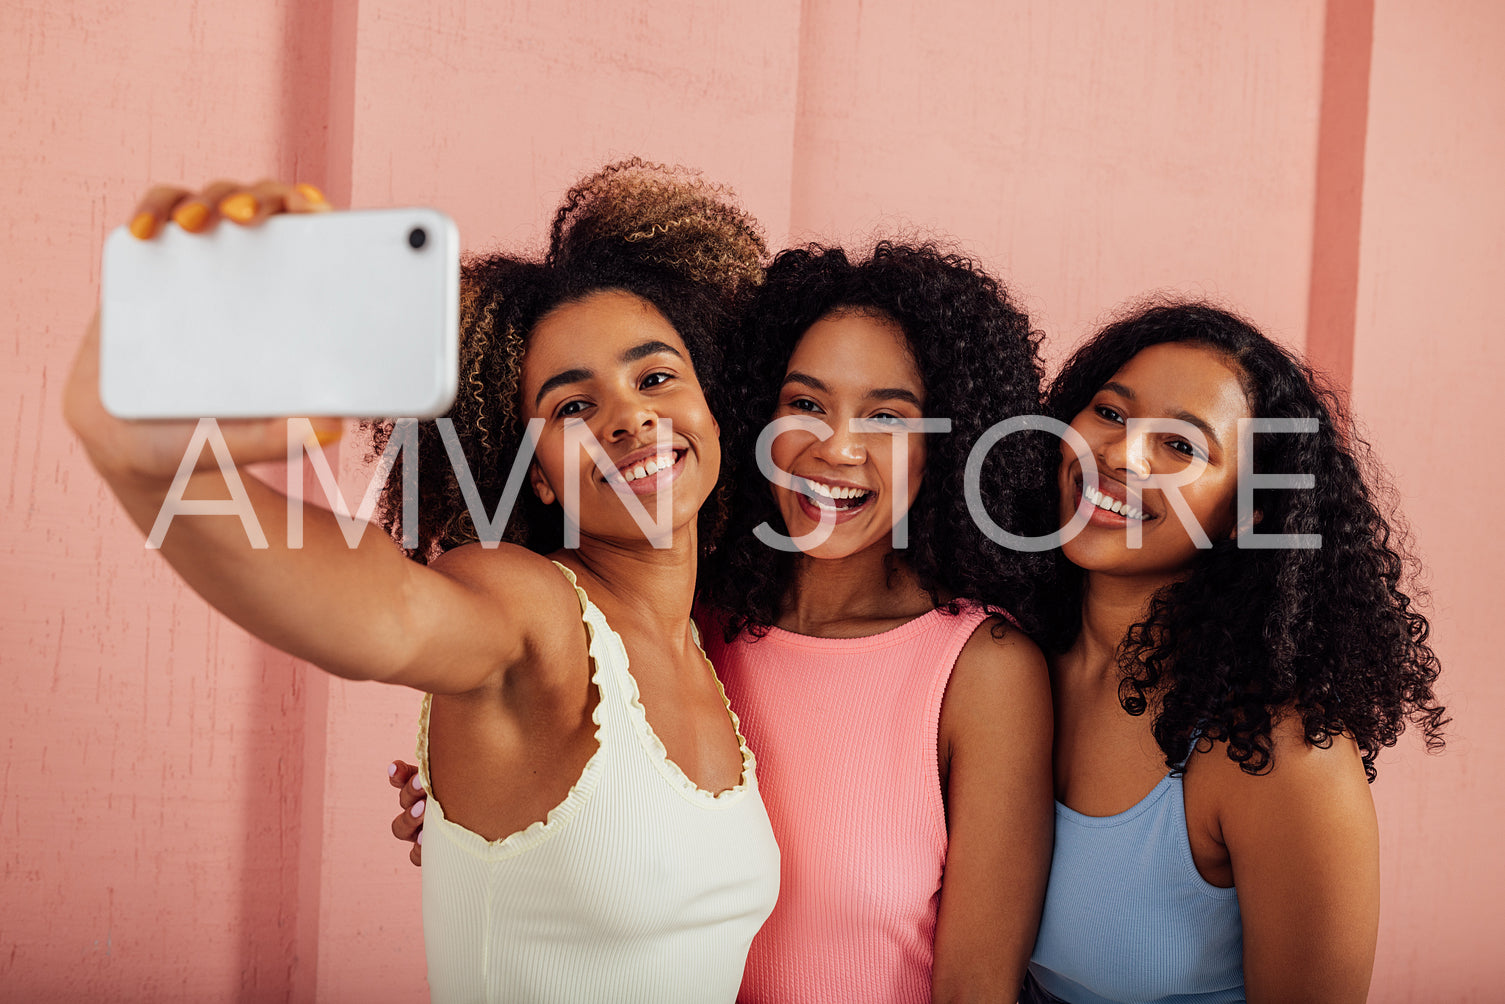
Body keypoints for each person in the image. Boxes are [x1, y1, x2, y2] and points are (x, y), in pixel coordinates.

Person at [66, 159, 781, 1003]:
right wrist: (150, 461)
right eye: (572, 407)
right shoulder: (530, 610)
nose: (628, 415)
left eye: (655, 376)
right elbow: (394, 613)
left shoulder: (711, 650)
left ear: (711, 409)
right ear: (539, 476)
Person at [397, 240, 1057, 1002]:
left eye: (887, 418)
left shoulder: (980, 668)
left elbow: (976, 988)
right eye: (804, 405)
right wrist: (480, 820)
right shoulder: (680, 626)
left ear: (948, 449)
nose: (835, 447)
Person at [1022, 301, 1448, 1004]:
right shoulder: (1005, 661)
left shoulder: (1278, 754)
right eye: (1110, 413)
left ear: (1246, 512)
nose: (1121, 456)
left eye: (1181, 447)